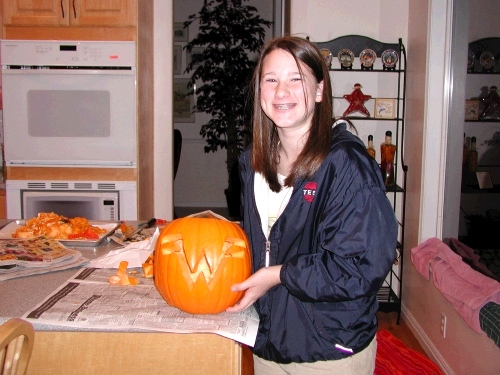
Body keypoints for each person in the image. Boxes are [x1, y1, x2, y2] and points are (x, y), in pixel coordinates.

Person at [226, 36, 398, 374]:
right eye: (271, 79)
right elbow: (265, 242)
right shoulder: (251, 163)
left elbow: (361, 267)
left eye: (296, 79)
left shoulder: (346, 165)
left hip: (328, 350)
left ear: (319, 90)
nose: (281, 91)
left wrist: (278, 275)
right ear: (259, 90)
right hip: (268, 341)